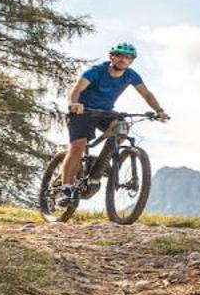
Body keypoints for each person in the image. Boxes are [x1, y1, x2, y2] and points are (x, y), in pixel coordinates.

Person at [59, 43, 168, 207]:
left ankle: (102, 163)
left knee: (122, 129)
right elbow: (76, 89)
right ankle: (65, 188)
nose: (123, 59)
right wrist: (74, 103)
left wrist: (159, 110)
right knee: (78, 146)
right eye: (119, 55)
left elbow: (146, 93)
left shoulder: (131, 75)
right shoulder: (95, 71)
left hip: (105, 112)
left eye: (128, 57)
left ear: (131, 61)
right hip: (83, 111)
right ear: (112, 57)